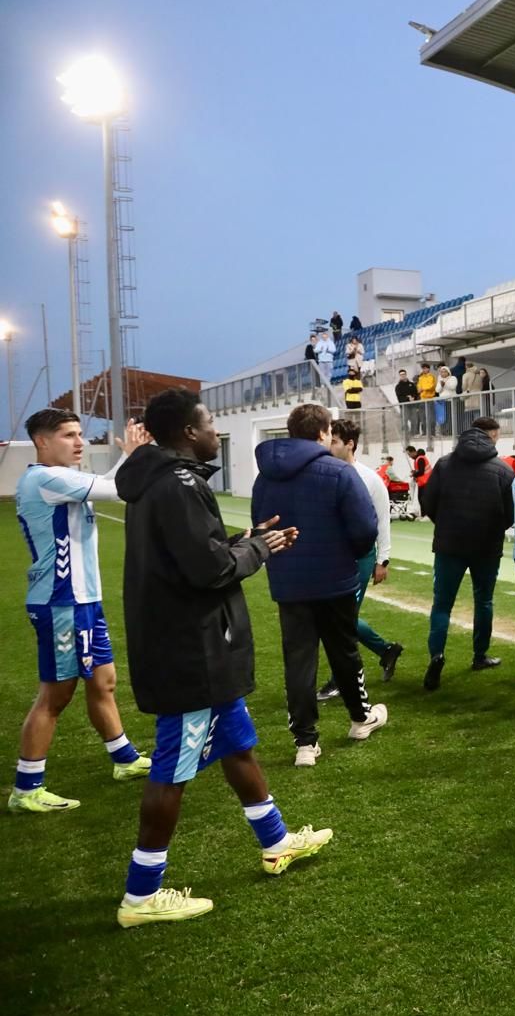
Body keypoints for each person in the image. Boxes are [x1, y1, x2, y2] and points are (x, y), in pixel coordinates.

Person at [114, 388, 329, 928]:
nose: (215, 432)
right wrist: (257, 550)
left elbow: (192, 554)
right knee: (172, 769)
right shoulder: (180, 484)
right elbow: (208, 571)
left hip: (192, 641)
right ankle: (140, 896)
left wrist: (244, 538)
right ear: (188, 433)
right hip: (192, 649)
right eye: (209, 424)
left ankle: (276, 841)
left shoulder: (158, 481)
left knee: (237, 744)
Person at [10, 411, 152, 813]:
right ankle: (27, 788)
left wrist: (131, 456)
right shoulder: (45, 479)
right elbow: (117, 489)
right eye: (68, 435)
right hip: (61, 603)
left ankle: (123, 760)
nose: (79, 442)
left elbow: (112, 485)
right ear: (41, 441)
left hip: (82, 601)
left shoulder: (62, 481)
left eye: (80, 434)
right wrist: (136, 455)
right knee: (55, 696)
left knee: (103, 680)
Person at [251, 403, 384, 767]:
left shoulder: (265, 477)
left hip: (289, 581)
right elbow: (364, 529)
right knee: (344, 651)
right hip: (334, 579)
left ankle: (305, 743)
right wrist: (351, 555)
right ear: (324, 432)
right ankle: (360, 719)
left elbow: (259, 529)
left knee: (298, 659)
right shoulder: (339, 472)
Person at [419, 416, 513, 690]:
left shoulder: (445, 464)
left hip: (449, 545)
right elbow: (510, 514)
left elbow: (428, 501)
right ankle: (479, 655)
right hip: (487, 547)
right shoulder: (503, 469)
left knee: (442, 604)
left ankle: (436, 655)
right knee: (483, 601)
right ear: (493, 436)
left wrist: (445, 524)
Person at [323, 419, 405, 700]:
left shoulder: (369, 479)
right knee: (337, 617)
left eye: (334, 441)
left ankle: (339, 680)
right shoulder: (325, 473)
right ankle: (386, 650)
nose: (329, 445)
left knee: (341, 619)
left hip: (360, 557)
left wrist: (384, 560)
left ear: (350, 444)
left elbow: (383, 522)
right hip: (333, 556)